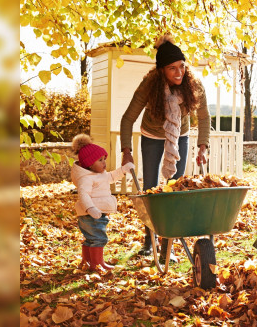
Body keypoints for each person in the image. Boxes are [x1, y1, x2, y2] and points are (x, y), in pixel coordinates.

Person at [120, 34, 211, 263]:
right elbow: (127, 119)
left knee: (174, 189)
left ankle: (166, 244)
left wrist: (203, 146)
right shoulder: (149, 86)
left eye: (182, 66)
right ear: (161, 70)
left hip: (179, 136)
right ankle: (148, 241)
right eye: (172, 69)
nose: (179, 72)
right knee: (150, 189)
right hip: (152, 136)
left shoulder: (193, 85)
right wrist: (126, 151)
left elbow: (203, 116)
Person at [71, 134, 135, 272]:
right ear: (89, 164)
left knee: (91, 239)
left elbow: (111, 177)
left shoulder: (99, 174)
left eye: (104, 159)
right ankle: (97, 264)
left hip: (95, 213)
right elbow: (83, 195)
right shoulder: (86, 178)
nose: (104, 163)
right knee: (99, 238)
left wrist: (123, 170)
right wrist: (90, 208)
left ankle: (88, 261)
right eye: (100, 160)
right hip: (91, 214)